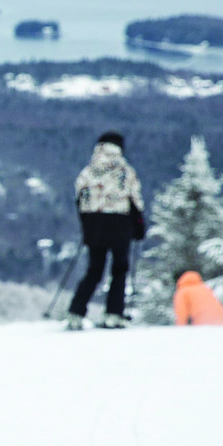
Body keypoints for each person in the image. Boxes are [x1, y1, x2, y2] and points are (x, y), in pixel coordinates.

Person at [67, 131, 145, 330]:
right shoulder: (125, 171)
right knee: (119, 270)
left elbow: (79, 197)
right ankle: (113, 314)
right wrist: (139, 226)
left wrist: (86, 223)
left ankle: (76, 312)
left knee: (94, 270)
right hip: (120, 223)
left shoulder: (88, 171)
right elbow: (135, 200)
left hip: (94, 224)